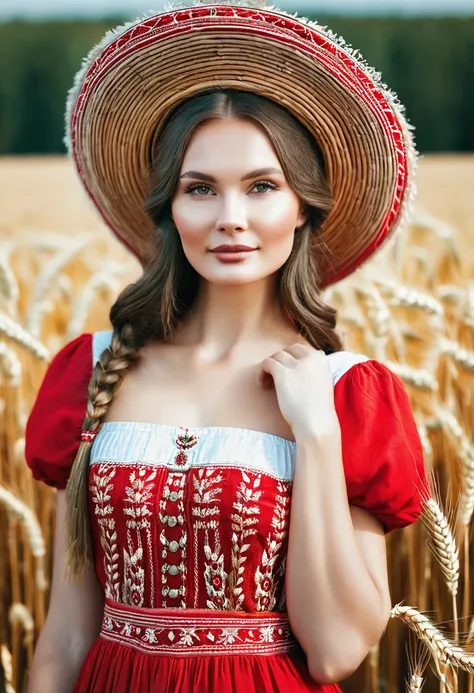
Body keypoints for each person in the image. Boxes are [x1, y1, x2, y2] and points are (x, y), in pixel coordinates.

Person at [24, 2, 428, 692]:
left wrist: (318, 435)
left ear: (302, 205)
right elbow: (64, 637)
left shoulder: (348, 394)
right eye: (200, 188)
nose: (230, 220)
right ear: (170, 207)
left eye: (262, 187)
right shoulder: (92, 371)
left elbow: (335, 653)